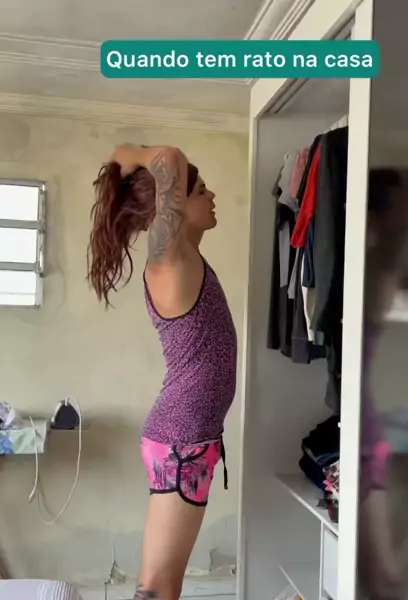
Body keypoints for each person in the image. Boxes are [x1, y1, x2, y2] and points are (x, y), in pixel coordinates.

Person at [86, 144, 238, 600]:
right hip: (181, 443)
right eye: (201, 190)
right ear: (173, 205)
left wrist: (128, 162)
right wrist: (129, 155)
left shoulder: (186, 257)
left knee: (160, 584)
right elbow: (169, 156)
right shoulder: (168, 260)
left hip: (187, 439)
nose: (212, 196)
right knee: (158, 587)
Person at [358, 167, 408, 600]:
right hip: (362, 421)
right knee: (374, 565)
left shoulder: (378, 267)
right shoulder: (376, 266)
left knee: (380, 568)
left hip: (363, 426)